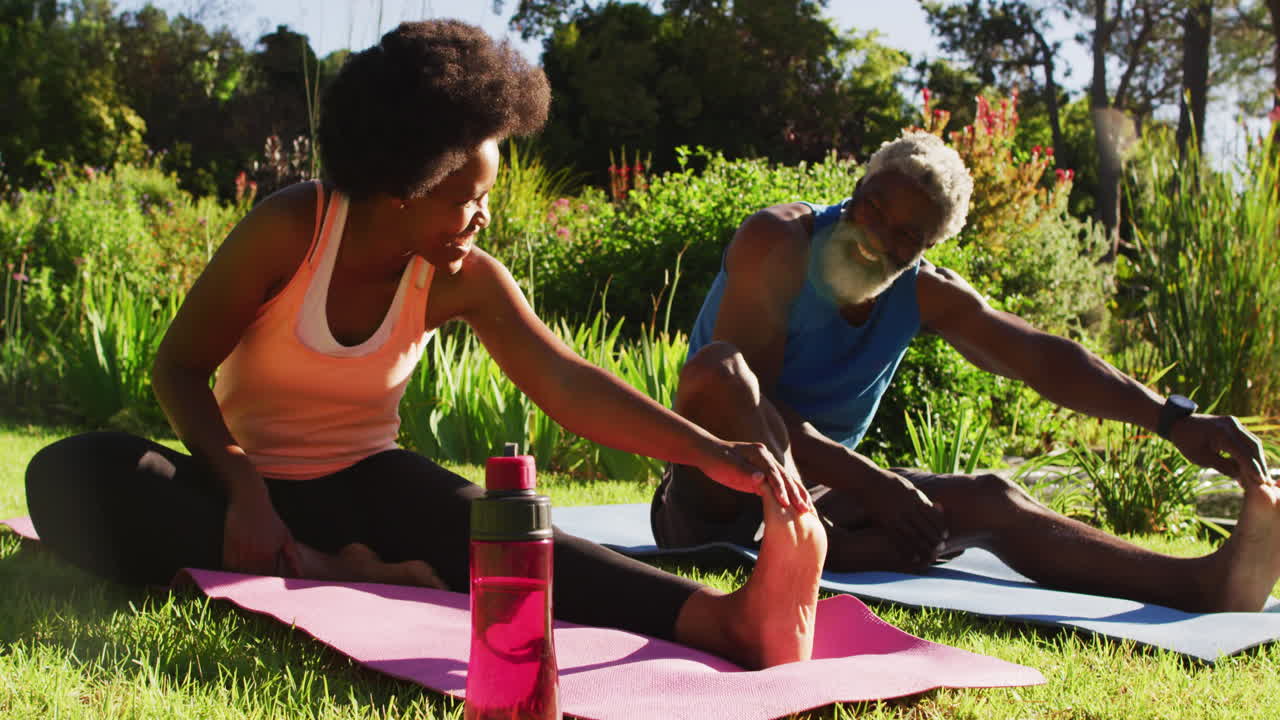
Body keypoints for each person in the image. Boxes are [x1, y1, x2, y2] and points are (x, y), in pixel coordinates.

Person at [24, 20, 826, 670]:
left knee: (504, 528)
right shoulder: (291, 228)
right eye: (466, 198)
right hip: (242, 482)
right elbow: (179, 367)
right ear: (402, 184)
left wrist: (712, 451)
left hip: (374, 485)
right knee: (70, 471)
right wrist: (244, 489)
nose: (483, 218)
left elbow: (568, 384)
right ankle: (329, 566)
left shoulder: (463, 277)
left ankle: (720, 621)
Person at [651, 129, 1280, 613]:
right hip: (714, 494)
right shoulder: (780, 241)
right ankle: (831, 542)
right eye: (872, 209)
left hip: (813, 503)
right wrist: (874, 485)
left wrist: (1170, 419)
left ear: (927, 247)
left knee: (992, 496)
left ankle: (1202, 584)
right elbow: (752, 414)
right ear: (858, 191)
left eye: (906, 236)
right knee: (722, 371)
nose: (878, 239)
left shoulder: (923, 291)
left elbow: (1040, 357)